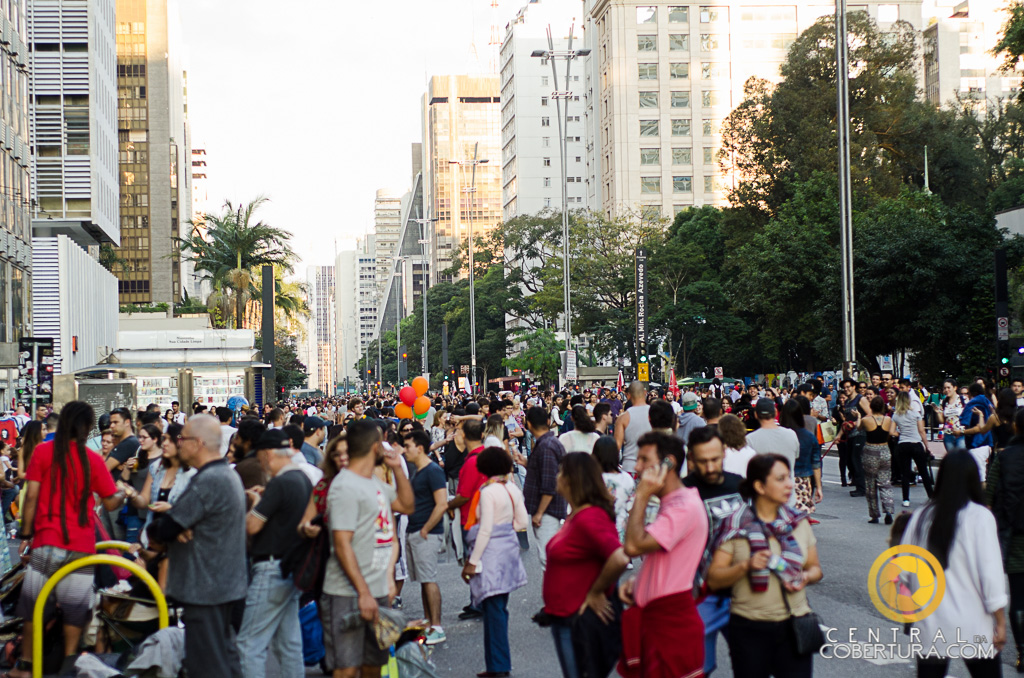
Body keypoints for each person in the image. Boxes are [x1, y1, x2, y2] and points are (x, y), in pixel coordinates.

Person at [10, 402, 126, 678]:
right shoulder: (93, 459)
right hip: (81, 545)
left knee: (34, 605)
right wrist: (122, 492)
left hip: (47, 541)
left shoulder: (43, 452)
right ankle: (69, 664)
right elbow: (110, 503)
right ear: (87, 428)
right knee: (75, 610)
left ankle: (26, 665)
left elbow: (32, 497)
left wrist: (26, 534)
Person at [146, 414, 248, 678]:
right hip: (221, 584)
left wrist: (172, 523)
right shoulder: (224, 475)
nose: (179, 444)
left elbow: (165, 528)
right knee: (224, 656)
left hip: (206, 587)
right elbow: (175, 524)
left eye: (183, 438)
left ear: (199, 442)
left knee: (208, 664)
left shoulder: (209, 480)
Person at [707, 454, 823, 678]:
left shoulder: (798, 522)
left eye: (788, 478)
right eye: (780, 479)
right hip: (749, 628)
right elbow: (713, 578)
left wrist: (806, 577)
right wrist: (745, 566)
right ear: (760, 486)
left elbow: (816, 569)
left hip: (793, 624)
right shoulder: (734, 524)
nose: (789, 484)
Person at [320, 420, 413, 678]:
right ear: (375, 447)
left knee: (374, 664)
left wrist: (397, 469)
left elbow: (406, 505)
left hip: (377, 589)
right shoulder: (345, 486)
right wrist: (363, 592)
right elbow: (341, 543)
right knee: (347, 669)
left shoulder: (374, 483)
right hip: (346, 592)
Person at [904, 451, 1007, 677]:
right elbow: (990, 575)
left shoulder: (921, 516)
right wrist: (1000, 619)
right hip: (975, 621)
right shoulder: (980, 517)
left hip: (931, 622)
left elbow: (903, 570)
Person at [620, 432, 707, 678]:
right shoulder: (674, 502)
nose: (636, 467)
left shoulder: (683, 506)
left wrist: (642, 494)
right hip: (657, 619)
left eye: (643, 459)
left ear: (668, 463)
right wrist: (641, 584)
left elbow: (633, 547)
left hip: (671, 625)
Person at [543, 453, 629, 678]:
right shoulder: (578, 514)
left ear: (572, 478)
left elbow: (619, 557)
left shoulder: (590, 516)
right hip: (566, 617)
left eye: (561, 472)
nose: (557, 476)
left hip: (576, 619)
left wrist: (596, 591)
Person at [237, 429, 313, 678]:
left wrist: (256, 503)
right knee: (289, 644)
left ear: (268, 454)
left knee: (249, 644)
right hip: (290, 568)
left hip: (271, 568)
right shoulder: (301, 479)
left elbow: (252, 525)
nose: (260, 464)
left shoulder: (279, 483)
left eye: (259, 458)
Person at [461, 446, 529, 678]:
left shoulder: (488, 492)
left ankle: (498, 666)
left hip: (490, 553)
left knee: (493, 610)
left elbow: (485, 530)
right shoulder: (512, 488)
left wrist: (472, 560)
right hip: (509, 549)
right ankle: (497, 665)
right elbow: (522, 522)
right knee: (498, 608)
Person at [683, 427, 744, 676]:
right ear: (691, 460)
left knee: (749, 662)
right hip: (699, 594)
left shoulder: (740, 485)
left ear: (723, 453)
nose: (709, 467)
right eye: (702, 461)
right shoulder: (681, 491)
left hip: (741, 593)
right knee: (699, 667)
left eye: (715, 459)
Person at [402, 430, 449, 645]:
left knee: (428, 579)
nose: (405, 450)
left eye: (408, 446)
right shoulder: (418, 471)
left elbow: (441, 503)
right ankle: (430, 623)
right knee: (423, 579)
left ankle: (436, 626)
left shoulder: (432, 471)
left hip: (426, 532)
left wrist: (426, 528)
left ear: (419, 448)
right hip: (416, 530)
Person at [986, 407, 1024, 670]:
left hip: (1013, 533)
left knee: (1018, 597)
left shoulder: (1005, 457)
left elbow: (988, 496)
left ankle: (1022, 652)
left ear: (1016, 429)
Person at [120, 423, 196, 550]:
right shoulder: (156, 468)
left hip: (178, 542)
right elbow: (144, 501)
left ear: (181, 443)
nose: (164, 444)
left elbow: (196, 513)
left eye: (170, 440)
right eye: (164, 439)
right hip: (152, 539)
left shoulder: (192, 474)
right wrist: (132, 494)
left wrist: (170, 508)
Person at [515, 406, 567, 572]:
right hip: (548, 509)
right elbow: (545, 470)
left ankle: (558, 593)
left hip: (548, 510)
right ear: (547, 421)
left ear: (528, 424)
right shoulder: (548, 443)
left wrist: (539, 513)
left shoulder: (546, 446)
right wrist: (526, 462)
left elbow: (549, 484)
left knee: (548, 556)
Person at [447, 418, 487, 620]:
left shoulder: (473, 461)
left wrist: (449, 505)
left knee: (473, 560)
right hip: (481, 516)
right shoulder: (485, 457)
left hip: (471, 518)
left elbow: (464, 494)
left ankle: (478, 601)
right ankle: (477, 600)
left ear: (463, 435)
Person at [746, 398, 799, 506]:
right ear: (775, 412)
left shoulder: (750, 439)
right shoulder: (791, 434)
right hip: (788, 497)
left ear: (756, 415)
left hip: (764, 499)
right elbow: (796, 456)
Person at [117, 423, 162, 543]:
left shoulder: (163, 459)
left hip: (155, 510)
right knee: (132, 546)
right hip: (135, 509)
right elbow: (123, 481)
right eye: (139, 437)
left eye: (144, 437)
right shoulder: (138, 456)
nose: (140, 440)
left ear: (155, 439)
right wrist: (127, 468)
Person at [856, 396, 896, 524]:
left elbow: (858, 428)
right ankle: (888, 510)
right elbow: (890, 434)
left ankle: (874, 514)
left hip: (870, 451)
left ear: (871, 407)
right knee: (885, 482)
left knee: (870, 484)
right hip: (884, 449)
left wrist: (857, 416)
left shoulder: (866, 419)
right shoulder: (888, 419)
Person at [892, 391, 934, 507]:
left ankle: (906, 499)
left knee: (905, 473)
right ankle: (931, 496)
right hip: (916, 443)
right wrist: (927, 446)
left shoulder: (895, 415)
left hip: (903, 444)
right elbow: (921, 431)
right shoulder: (915, 414)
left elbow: (891, 431)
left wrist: (900, 434)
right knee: (923, 471)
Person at [780, 400, 822, 515]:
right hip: (803, 480)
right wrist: (818, 486)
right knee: (801, 517)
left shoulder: (780, 435)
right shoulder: (809, 436)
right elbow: (816, 463)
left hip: (782, 479)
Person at [593, 435, 634, 541]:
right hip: (619, 533)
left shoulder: (591, 477)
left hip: (594, 533)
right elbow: (631, 509)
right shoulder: (626, 478)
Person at [614, 381, 651, 474]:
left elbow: (617, 447)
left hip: (629, 466)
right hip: (650, 466)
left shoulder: (623, 418)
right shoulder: (655, 413)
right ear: (645, 393)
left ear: (628, 395)